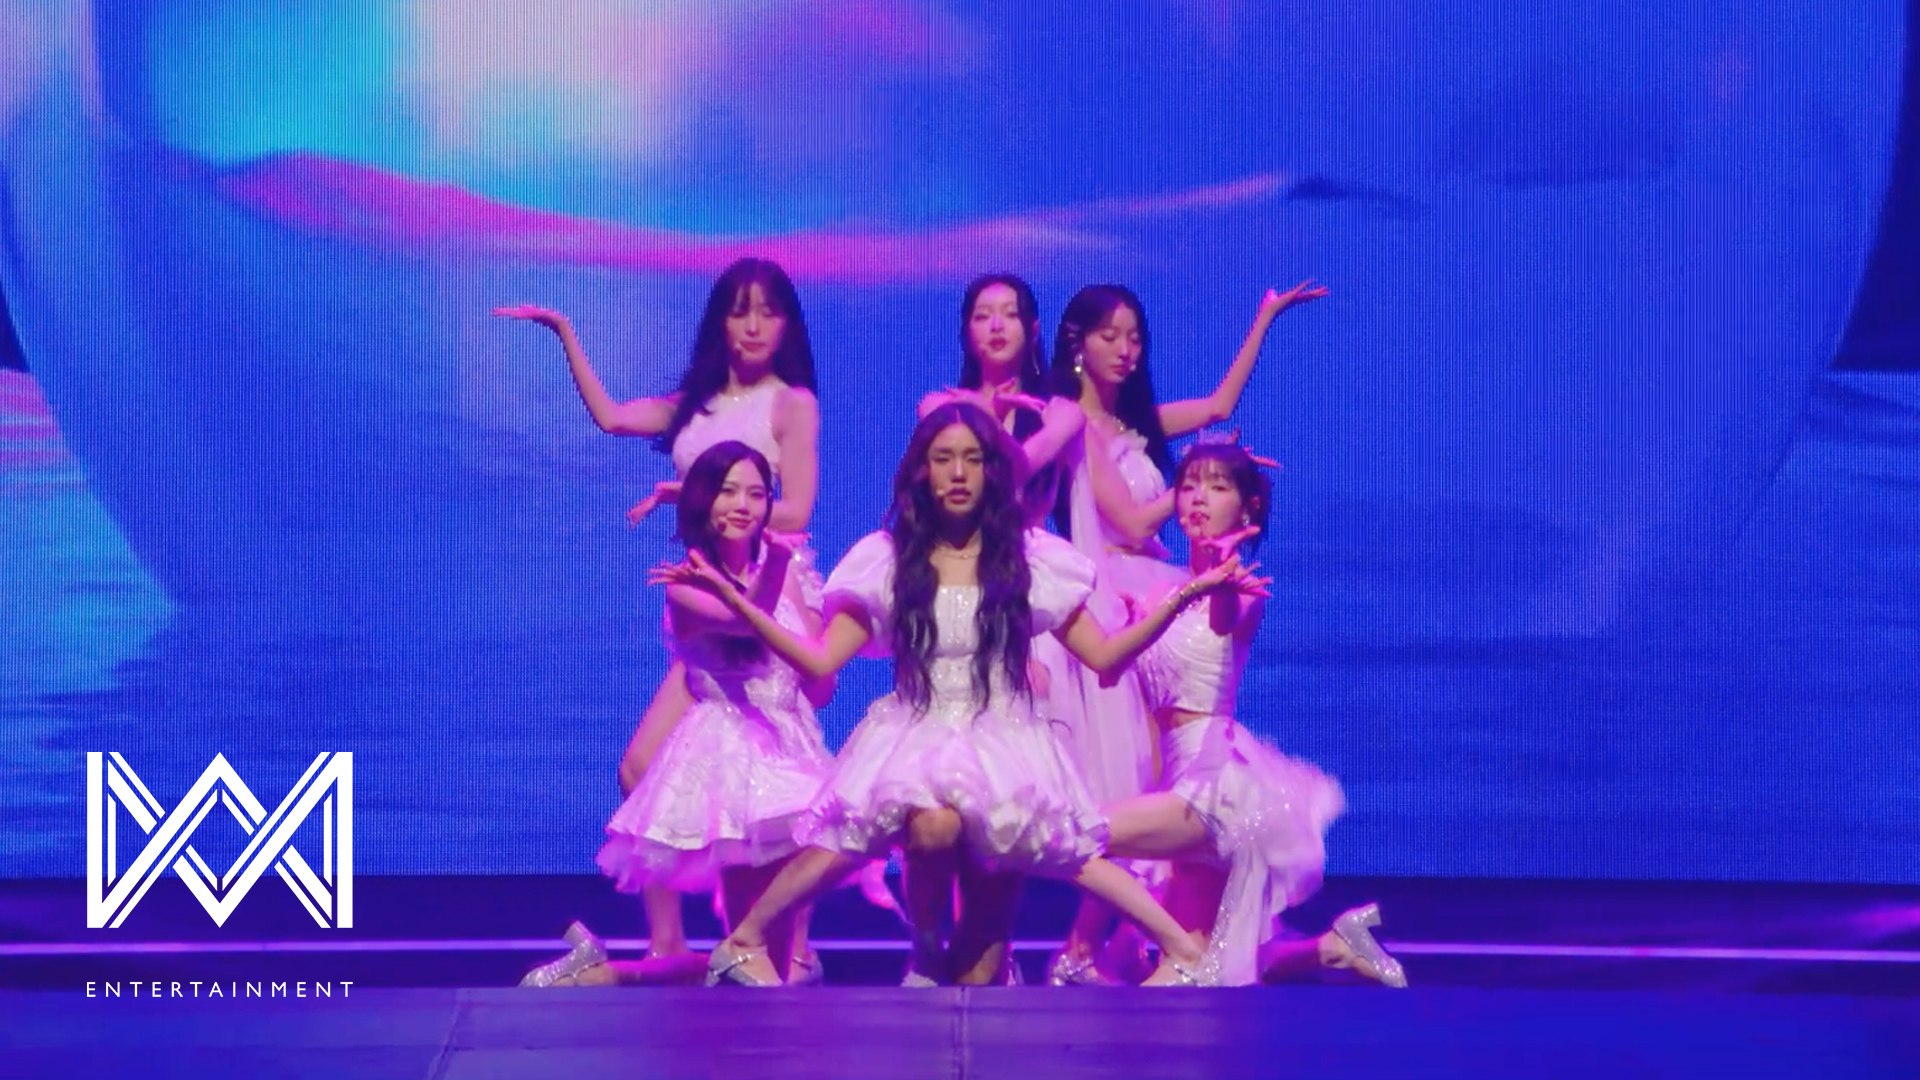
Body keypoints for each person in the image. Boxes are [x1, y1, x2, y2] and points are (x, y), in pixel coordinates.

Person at [659, 403, 1265, 987]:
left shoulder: (1029, 560)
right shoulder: (888, 560)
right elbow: (819, 659)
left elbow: (1106, 659)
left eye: (972, 459)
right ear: (922, 469)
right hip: (920, 727)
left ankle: (1182, 949)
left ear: (991, 471)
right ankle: (769, 939)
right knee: (871, 833)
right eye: (944, 458)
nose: (958, 473)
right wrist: (739, 604)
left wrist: (1186, 598)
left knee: (1069, 850)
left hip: (1002, 732)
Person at [495, 256, 823, 980]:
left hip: (767, 583)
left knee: (779, 769)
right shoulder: (694, 405)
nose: (753, 325)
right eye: (739, 310)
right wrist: (565, 333)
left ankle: (790, 947)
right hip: (706, 584)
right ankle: (670, 945)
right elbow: (613, 417)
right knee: (641, 766)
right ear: (720, 321)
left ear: (787, 324)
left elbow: (797, 506)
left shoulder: (790, 402)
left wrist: (697, 495)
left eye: (768, 311)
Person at [1044, 281, 1326, 983]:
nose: (1127, 350)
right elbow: (1133, 521)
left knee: (1135, 796)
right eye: (1111, 335)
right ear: (1077, 343)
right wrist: (1206, 479)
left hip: (1167, 600)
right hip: (1115, 596)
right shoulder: (1072, 424)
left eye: (1136, 337)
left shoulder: (1138, 428)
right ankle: (1092, 946)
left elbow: (1219, 408)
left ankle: (1097, 947)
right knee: (1112, 789)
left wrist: (1264, 317)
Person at [1074, 440, 1406, 988]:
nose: (1199, 498)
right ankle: (1330, 947)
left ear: (1247, 507)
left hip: (1211, 796)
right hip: (1178, 786)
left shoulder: (1242, 590)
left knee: (1073, 835)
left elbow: (1223, 618)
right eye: (1189, 485)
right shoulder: (1160, 593)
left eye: (1217, 486)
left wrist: (1221, 577)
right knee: (1199, 971)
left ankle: (1145, 950)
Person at [520, 441, 835, 987]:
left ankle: (609, 973)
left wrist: (807, 628)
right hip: (734, 749)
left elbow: (820, 680)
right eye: (728, 491)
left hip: (791, 743)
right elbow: (743, 623)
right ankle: (621, 977)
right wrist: (773, 568)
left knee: (781, 954)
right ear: (704, 502)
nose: (743, 505)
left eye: (757, 493)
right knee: (752, 949)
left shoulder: (786, 577)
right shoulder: (685, 584)